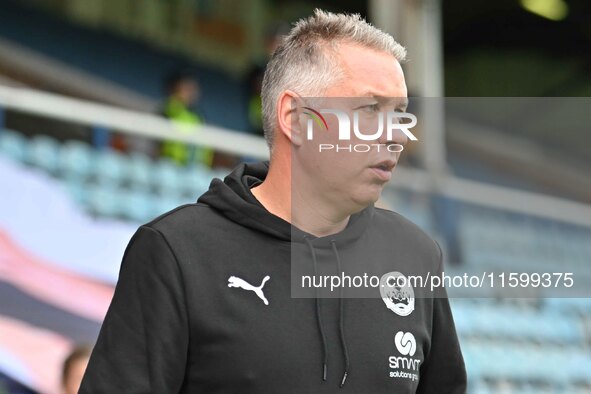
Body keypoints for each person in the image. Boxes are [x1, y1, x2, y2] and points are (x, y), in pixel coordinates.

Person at [80, 9, 466, 393]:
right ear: (294, 118)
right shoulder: (177, 252)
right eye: (369, 110)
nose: (396, 135)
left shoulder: (416, 255)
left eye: (399, 114)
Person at [160, 70, 213, 167]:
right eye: (186, 88)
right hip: (170, 163)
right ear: (174, 89)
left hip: (194, 166)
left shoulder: (198, 116)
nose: (191, 93)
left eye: (193, 89)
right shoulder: (169, 109)